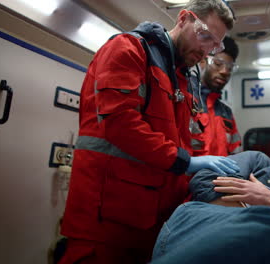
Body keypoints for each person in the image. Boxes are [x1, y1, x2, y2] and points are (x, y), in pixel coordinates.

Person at [59, 1, 239, 263]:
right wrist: (185, 161)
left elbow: (186, 139)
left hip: (155, 221)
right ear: (183, 18)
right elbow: (121, 123)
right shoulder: (128, 49)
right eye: (204, 37)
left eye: (214, 45)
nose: (206, 50)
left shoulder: (185, 78)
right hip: (107, 220)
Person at [190, 36, 242, 156]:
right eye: (218, 64)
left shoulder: (227, 113)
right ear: (202, 62)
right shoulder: (185, 98)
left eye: (230, 68)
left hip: (223, 175)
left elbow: (237, 155)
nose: (224, 71)